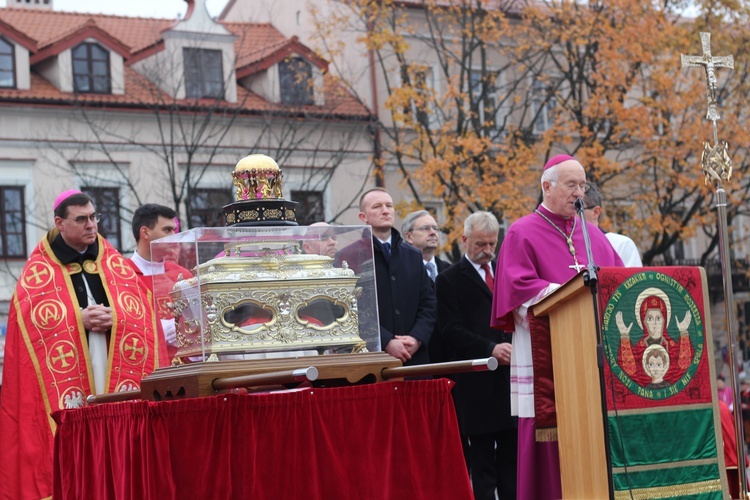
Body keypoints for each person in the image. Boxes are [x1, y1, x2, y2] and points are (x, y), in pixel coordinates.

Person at [0, 190, 167, 499]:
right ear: (60, 223)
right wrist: (78, 320)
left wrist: (115, 318)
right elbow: (30, 325)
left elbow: (143, 314)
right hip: (71, 380)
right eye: (82, 219)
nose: (92, 225)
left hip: (111, 377)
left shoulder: (114, 262)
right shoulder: (37, 272)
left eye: (94, 217)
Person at [490, 154, 624, 499]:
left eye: (582, 185)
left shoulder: (594, 234)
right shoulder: (521, 232)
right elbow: (517, 290)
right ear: (546, 186)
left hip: (595, 357)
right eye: (571, 185)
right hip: (549, 356)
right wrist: (568, 295)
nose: (579, 193)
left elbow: (620, 284)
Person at [436, 211, 516, 500]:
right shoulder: (449, 280)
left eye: (492, 244)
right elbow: (450, 330)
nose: (487, 251)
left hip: (510, 382)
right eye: (481, 244)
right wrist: (489, 349)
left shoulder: (506, 273)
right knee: (482, 467)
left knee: (511, 465)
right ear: (465, 240)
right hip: (477, 383)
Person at [336, 188, 436, 365]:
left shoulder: (413, 255)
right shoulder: (347, 256)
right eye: (377, 206)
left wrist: (416, 338)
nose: (385, 210)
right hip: (372, 358)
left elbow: (428, 303)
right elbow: (346, 309)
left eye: (389, 206)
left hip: (415, 358)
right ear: (363, 217)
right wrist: (386, 340)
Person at [125, 204, 193, 360]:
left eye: (174, 230)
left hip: (185, 367)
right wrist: (161, 329)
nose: (174, 235)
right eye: (167, 230)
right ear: (145, 232)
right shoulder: (123, 275)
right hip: (146, 362)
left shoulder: (183, 275)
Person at [615, 288, 693, 387]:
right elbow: (631, 373)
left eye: (658, 318)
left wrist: (684, 333)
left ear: (664, 320)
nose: (655, 324)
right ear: (644, 321)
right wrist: (624, 336)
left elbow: (683, 368)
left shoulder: (673, 346)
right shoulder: (639, 347)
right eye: (650, 318)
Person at [583, 182, 642, 266]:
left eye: (577, 209)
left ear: (596, 212)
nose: (570, 215)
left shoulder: (621, 245)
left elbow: (632, 279)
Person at [402, 210, 451, 281]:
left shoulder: (449, 271)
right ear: (409, 237)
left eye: (435, 228)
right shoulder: (400, 270)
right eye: (426, 228)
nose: (433, 232)